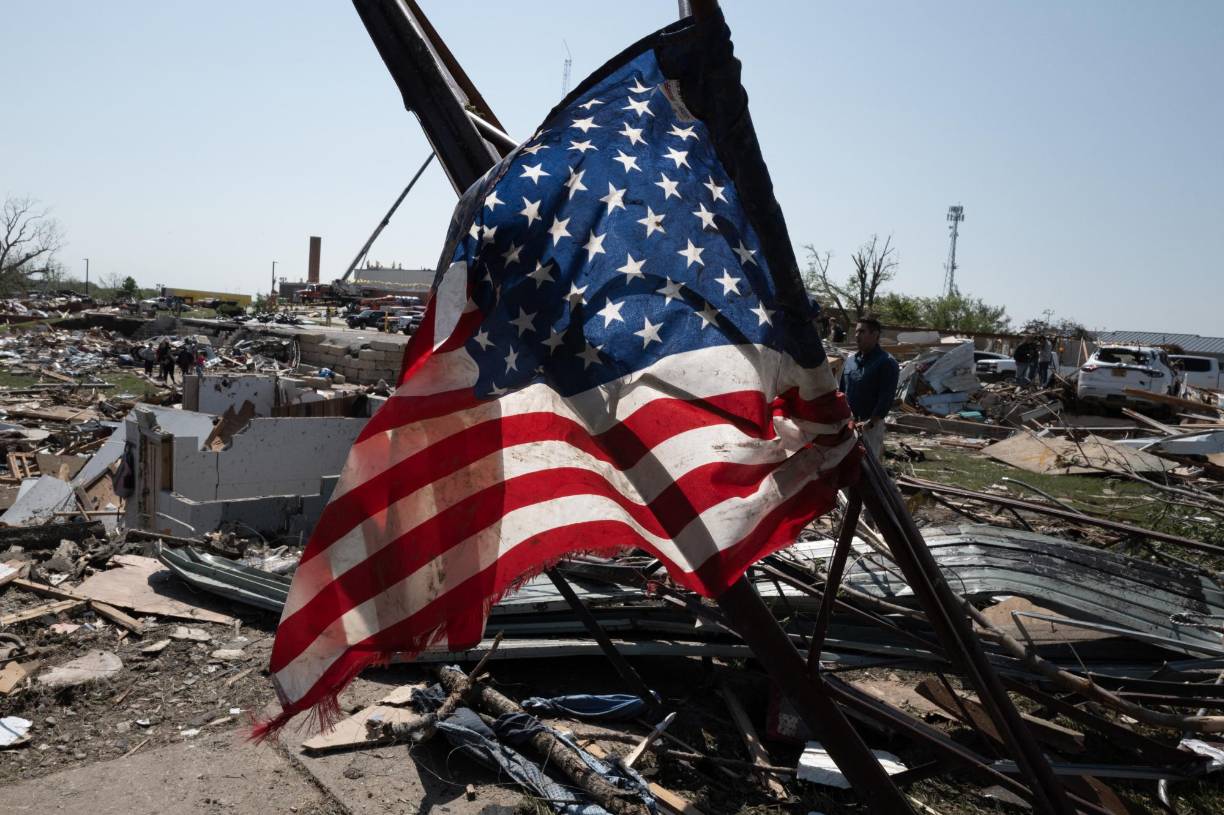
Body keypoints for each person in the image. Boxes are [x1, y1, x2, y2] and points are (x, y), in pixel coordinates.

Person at [839, 315, 900, 459]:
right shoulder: (850, 361)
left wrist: (870, 423)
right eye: (856, 331)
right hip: (848, 424)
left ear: (875, 335)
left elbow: (886, 398)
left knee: (868, 464)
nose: (857, 335)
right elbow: (841, 392)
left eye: (862, 331)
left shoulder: (886, 363)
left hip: (870, 427)